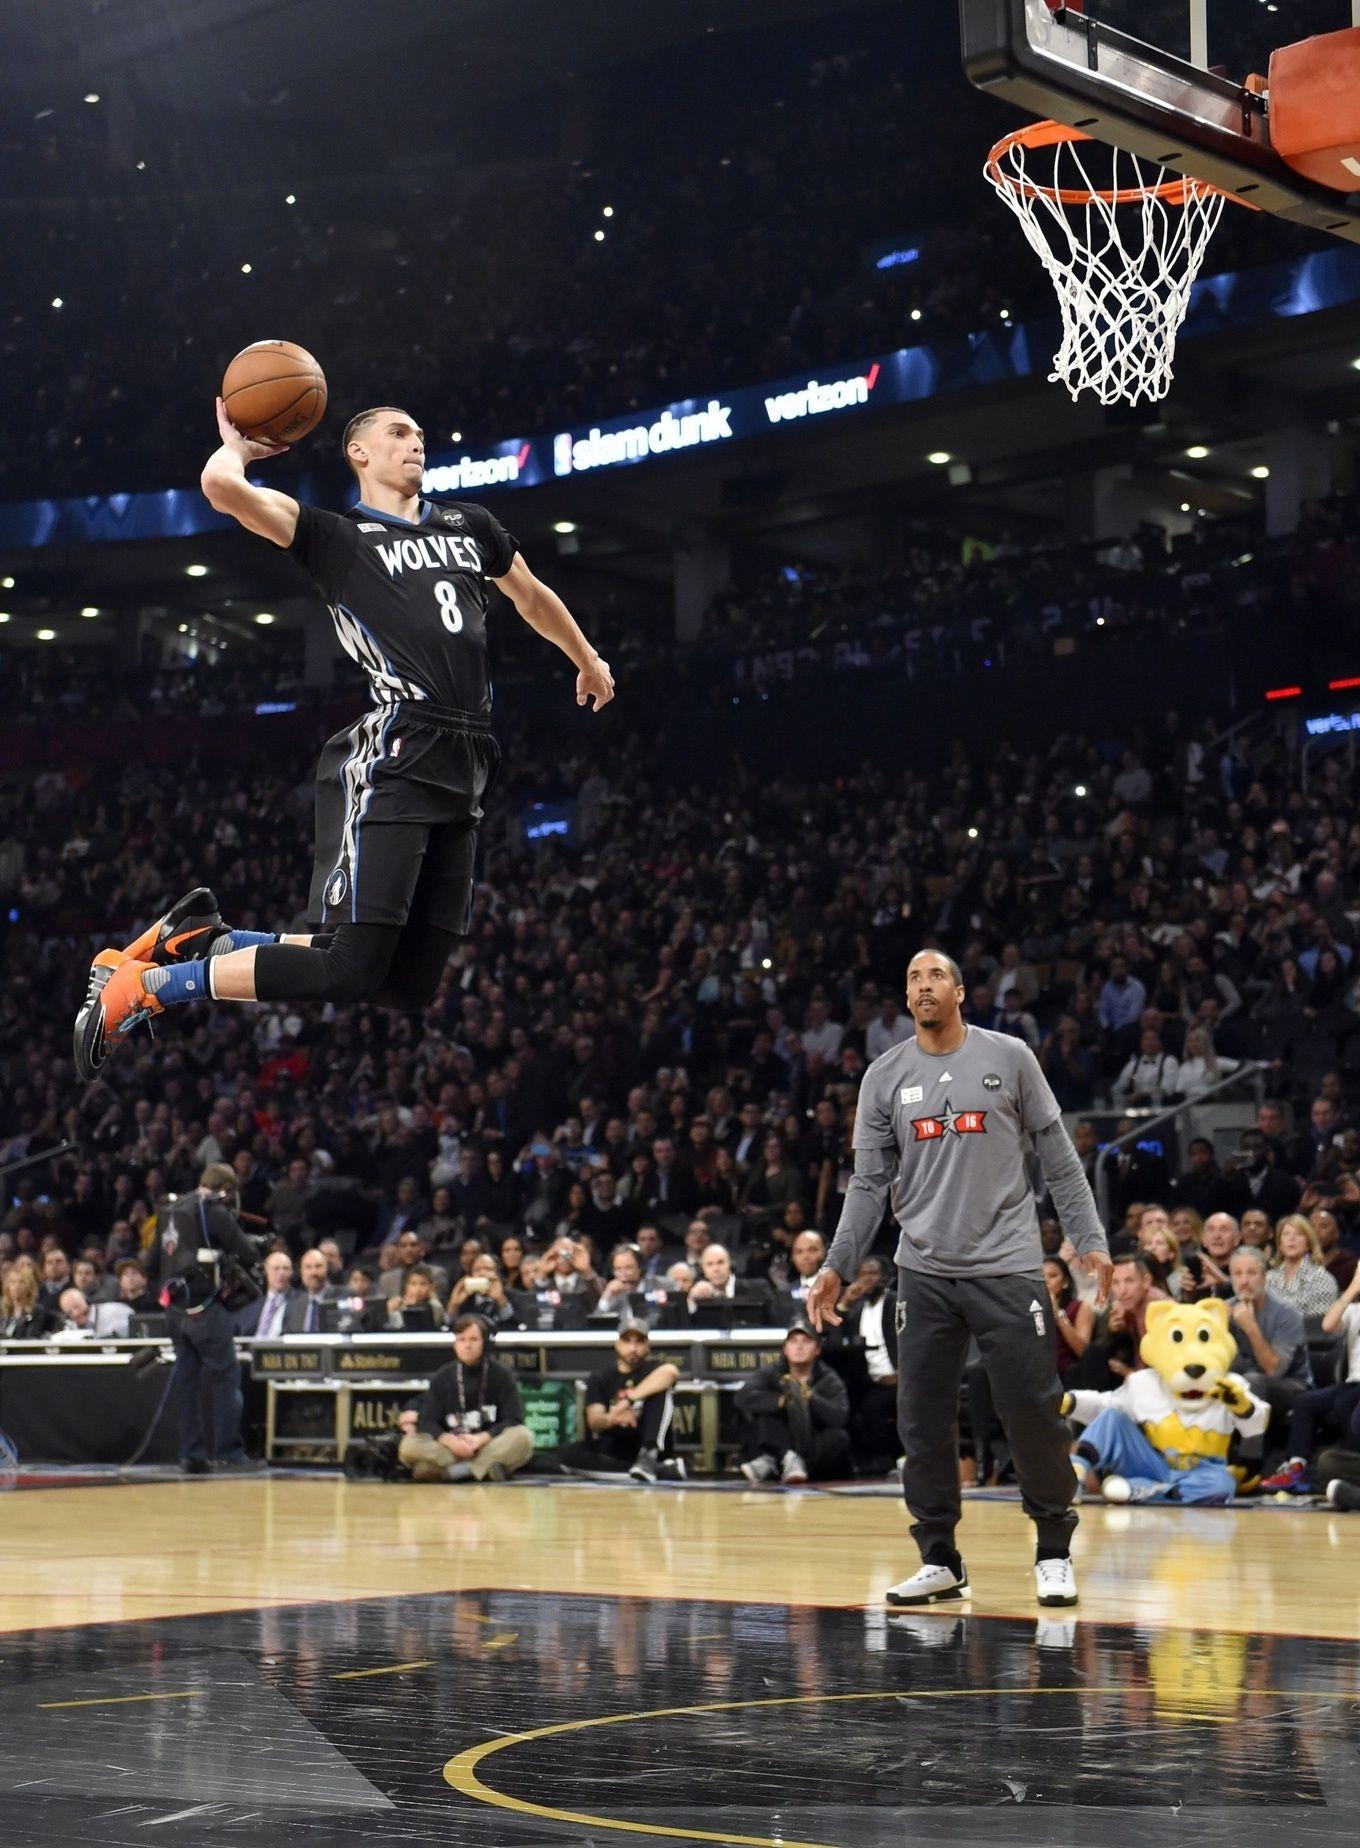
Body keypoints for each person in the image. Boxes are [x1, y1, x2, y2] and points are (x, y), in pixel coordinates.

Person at [75, 400, 614, 1081]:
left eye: (420, 433)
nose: (415, 443)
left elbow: (530, 595)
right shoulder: (338, 538)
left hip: (471, 754)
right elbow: (220, 490)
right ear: (358, 453)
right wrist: (240, 448)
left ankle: (202, 940)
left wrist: (586, 658)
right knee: (346, 963)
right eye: (398, 433)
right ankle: (147, 989)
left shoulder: (470, 525)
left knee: (406, 984)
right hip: (398, 750)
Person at [807, 948, 1111, 1610]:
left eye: (935, 975)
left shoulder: (1010, 1058)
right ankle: (939, 1557)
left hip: (1006, 1265)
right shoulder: (884, 1077)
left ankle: (1055, 1551)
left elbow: (1059, 1158)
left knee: (1031, 1412)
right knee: (921, 1420)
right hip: (923, 1272)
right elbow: (866, 1185)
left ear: (961, 992)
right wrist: (834, 1263)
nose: (922, 984)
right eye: (912, 976)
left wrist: (1088, 1240)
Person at [146, 1163, 259, 1473]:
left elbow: (152, 1261)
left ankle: (191, 1454)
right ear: (227, 1189)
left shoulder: (169, 1212)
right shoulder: (214, 1211)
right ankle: (228, 1452)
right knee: (226, 1377)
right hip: (206, 1309)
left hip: (175, 1311)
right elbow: (247, 1253)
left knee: (187, 1382)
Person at [395, 1314, 533, 1482]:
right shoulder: (443, 1376)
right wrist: (449, 1441)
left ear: (485, 1343)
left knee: (523, 1437)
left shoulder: (503, 1375)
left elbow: (513, 1419)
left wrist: (481, 1438)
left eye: (473, 1339)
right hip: (451, 1447)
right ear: (455, 1344)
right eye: (461, 1340)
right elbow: (428, 1420)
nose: (467, 1346)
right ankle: (484, 1468)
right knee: (408, 1446)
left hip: (486, 1444)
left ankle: (454, 1472)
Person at [1261, 1263, 1360, 1493]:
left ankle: (1353, 1462)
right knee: (1305, 1401)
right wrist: (1352, 1288)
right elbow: (1327, 1325)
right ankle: (1296, 1468)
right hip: (1353, 1382)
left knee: (1344, 1403)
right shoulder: (1355, 1310)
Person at [544, 1321, 685, 1482]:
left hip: (646, 1442)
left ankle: (648, 1457)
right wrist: (612, 1418)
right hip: (614, 1446)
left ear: (648, 1346)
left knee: (662, 1390)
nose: (633, 1348)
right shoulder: (601, 1377)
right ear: (617, 1344)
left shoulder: (654, 1369)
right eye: (627, 1341)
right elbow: (595, 1421)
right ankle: (659, 1471)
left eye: (639, 1342)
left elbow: (670, 1372)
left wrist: (626, 1402)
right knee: (566, 1456)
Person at [736, 1320, 851, 1484]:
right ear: (785, 1348)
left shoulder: (829, 1378)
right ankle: (786, 1459)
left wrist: (811, 1399)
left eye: (806, 1341)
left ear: (817, 1349)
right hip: (777, 1433)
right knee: (765, 1422)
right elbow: (743, 1397)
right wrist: (781, 1401)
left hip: (811, 1440)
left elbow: (840, 1416)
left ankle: (778, 1461)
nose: (799, 1347)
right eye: (793, 1341)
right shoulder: (771, 1371)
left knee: (839, 1438)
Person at [1266, 1215, 1339, 1319]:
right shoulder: (1268, 1279)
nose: (1291, 1238)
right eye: (1286, 1234)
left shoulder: (1322, 1279)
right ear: (1280, 1245)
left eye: (1299, 1234)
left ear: (1308, 1244)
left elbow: (1316, 1326)